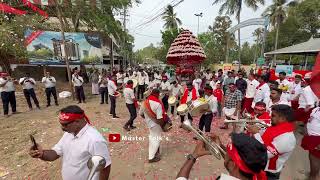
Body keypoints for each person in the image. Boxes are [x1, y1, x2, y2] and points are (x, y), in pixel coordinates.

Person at [28, 105, 111, 180]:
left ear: (77, 121)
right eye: (61, 124)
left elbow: (105, 167)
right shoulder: (69, 133)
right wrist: (41, 154)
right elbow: (55, 153)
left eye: (65, 125)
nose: (62, 128)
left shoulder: (94, 140)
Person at [176, 133, 268, 180]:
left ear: (233, 164)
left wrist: (194, 155)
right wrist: (220, 146)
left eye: (228, 152)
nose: (225, 153)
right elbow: (235, 162)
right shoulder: (256, 174)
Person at [247, 104, 296, 180]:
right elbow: (266, 136)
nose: (270, 117)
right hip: (261, 166)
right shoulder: (277, 127)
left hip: (269, 173)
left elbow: (264, 154)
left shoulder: (287, 138)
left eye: (273, 115)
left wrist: (256, 134)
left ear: (282, 118)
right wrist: (255, 127)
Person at [139, 89, 168, 163]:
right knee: (156, 139)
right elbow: (160, 118)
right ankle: (151, 157)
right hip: (156, 124)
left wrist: (147, 119)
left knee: (153, 138)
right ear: (158, 94)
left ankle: (155, 153)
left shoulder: (144, 102)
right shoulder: (158, 104)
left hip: (149, 124)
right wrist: (163, 126)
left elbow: (141, 114)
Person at [301, 107, 320, 180]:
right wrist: (306, 129)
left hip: (317, 139)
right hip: (312, 138)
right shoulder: (317, 109)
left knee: (315, 159)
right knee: (312, 157)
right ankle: (314, 174)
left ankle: (313, 177)